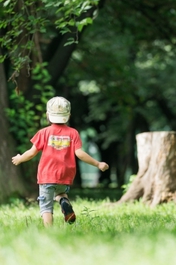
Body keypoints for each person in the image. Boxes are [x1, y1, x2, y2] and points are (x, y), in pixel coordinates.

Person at [11, 96, 109, 227]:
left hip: (47, 175)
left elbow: (32, 153)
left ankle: (49, 231)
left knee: (46, 205)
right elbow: (80, 153)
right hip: (65, 174)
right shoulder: (73, 133)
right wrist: (98, 163)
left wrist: (20, 158)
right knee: (60, 192)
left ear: (48, 114)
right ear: (68, 115)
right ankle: (64, 201)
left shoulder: (43, 133)